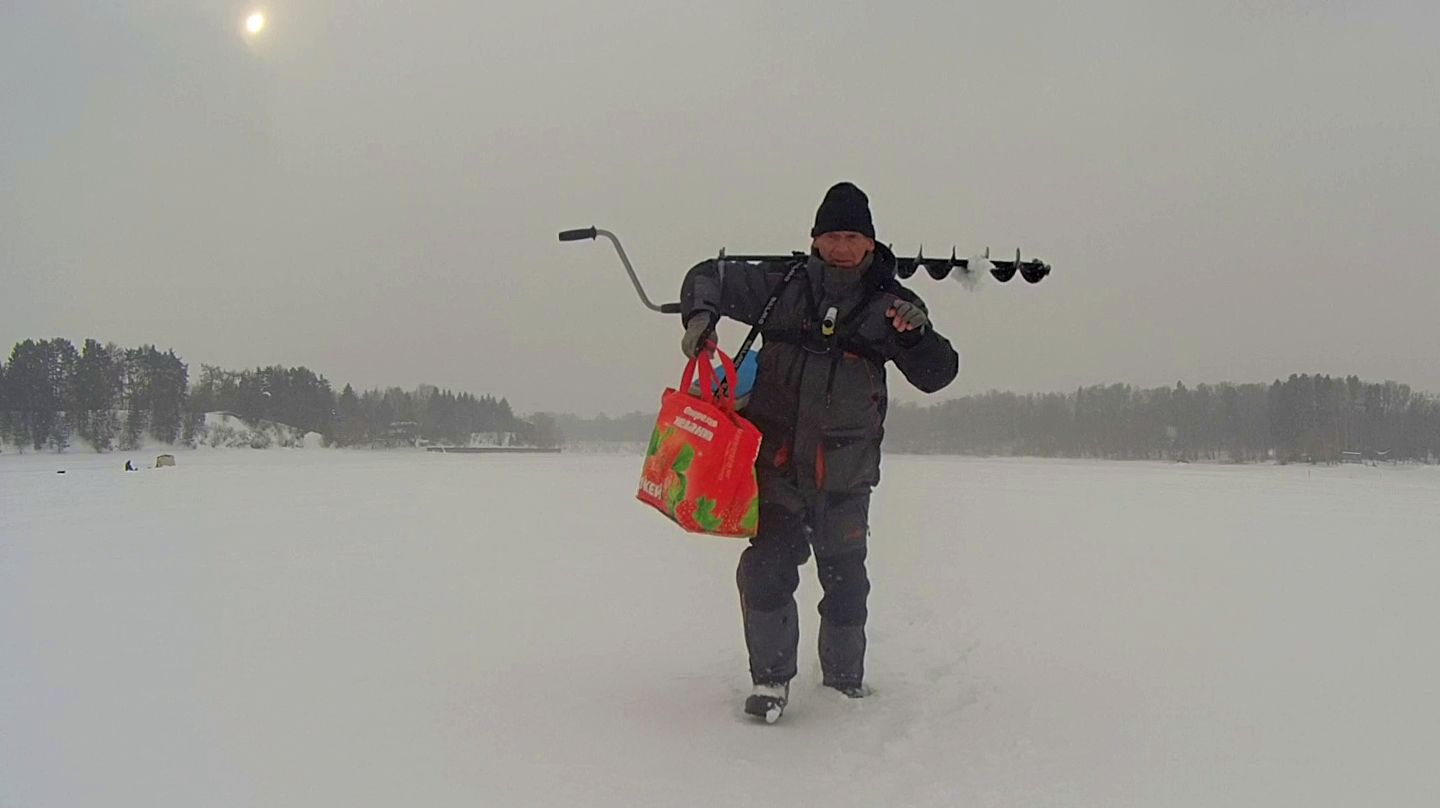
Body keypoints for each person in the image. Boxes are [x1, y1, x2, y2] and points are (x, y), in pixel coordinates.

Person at [679, 182, 959, 721]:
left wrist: (915, 338)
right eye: (832, 236)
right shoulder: (781, 287)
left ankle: (844, 682)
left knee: (846, 582)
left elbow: (938, 374)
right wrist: (700, 318)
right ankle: (770, 681)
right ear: (814, 239)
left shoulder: (892, 307)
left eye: (852, 237)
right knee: (766, 570)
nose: (841, 247)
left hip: (845, 476)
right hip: (778, 468)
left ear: (871, 244)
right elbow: (706, 275)